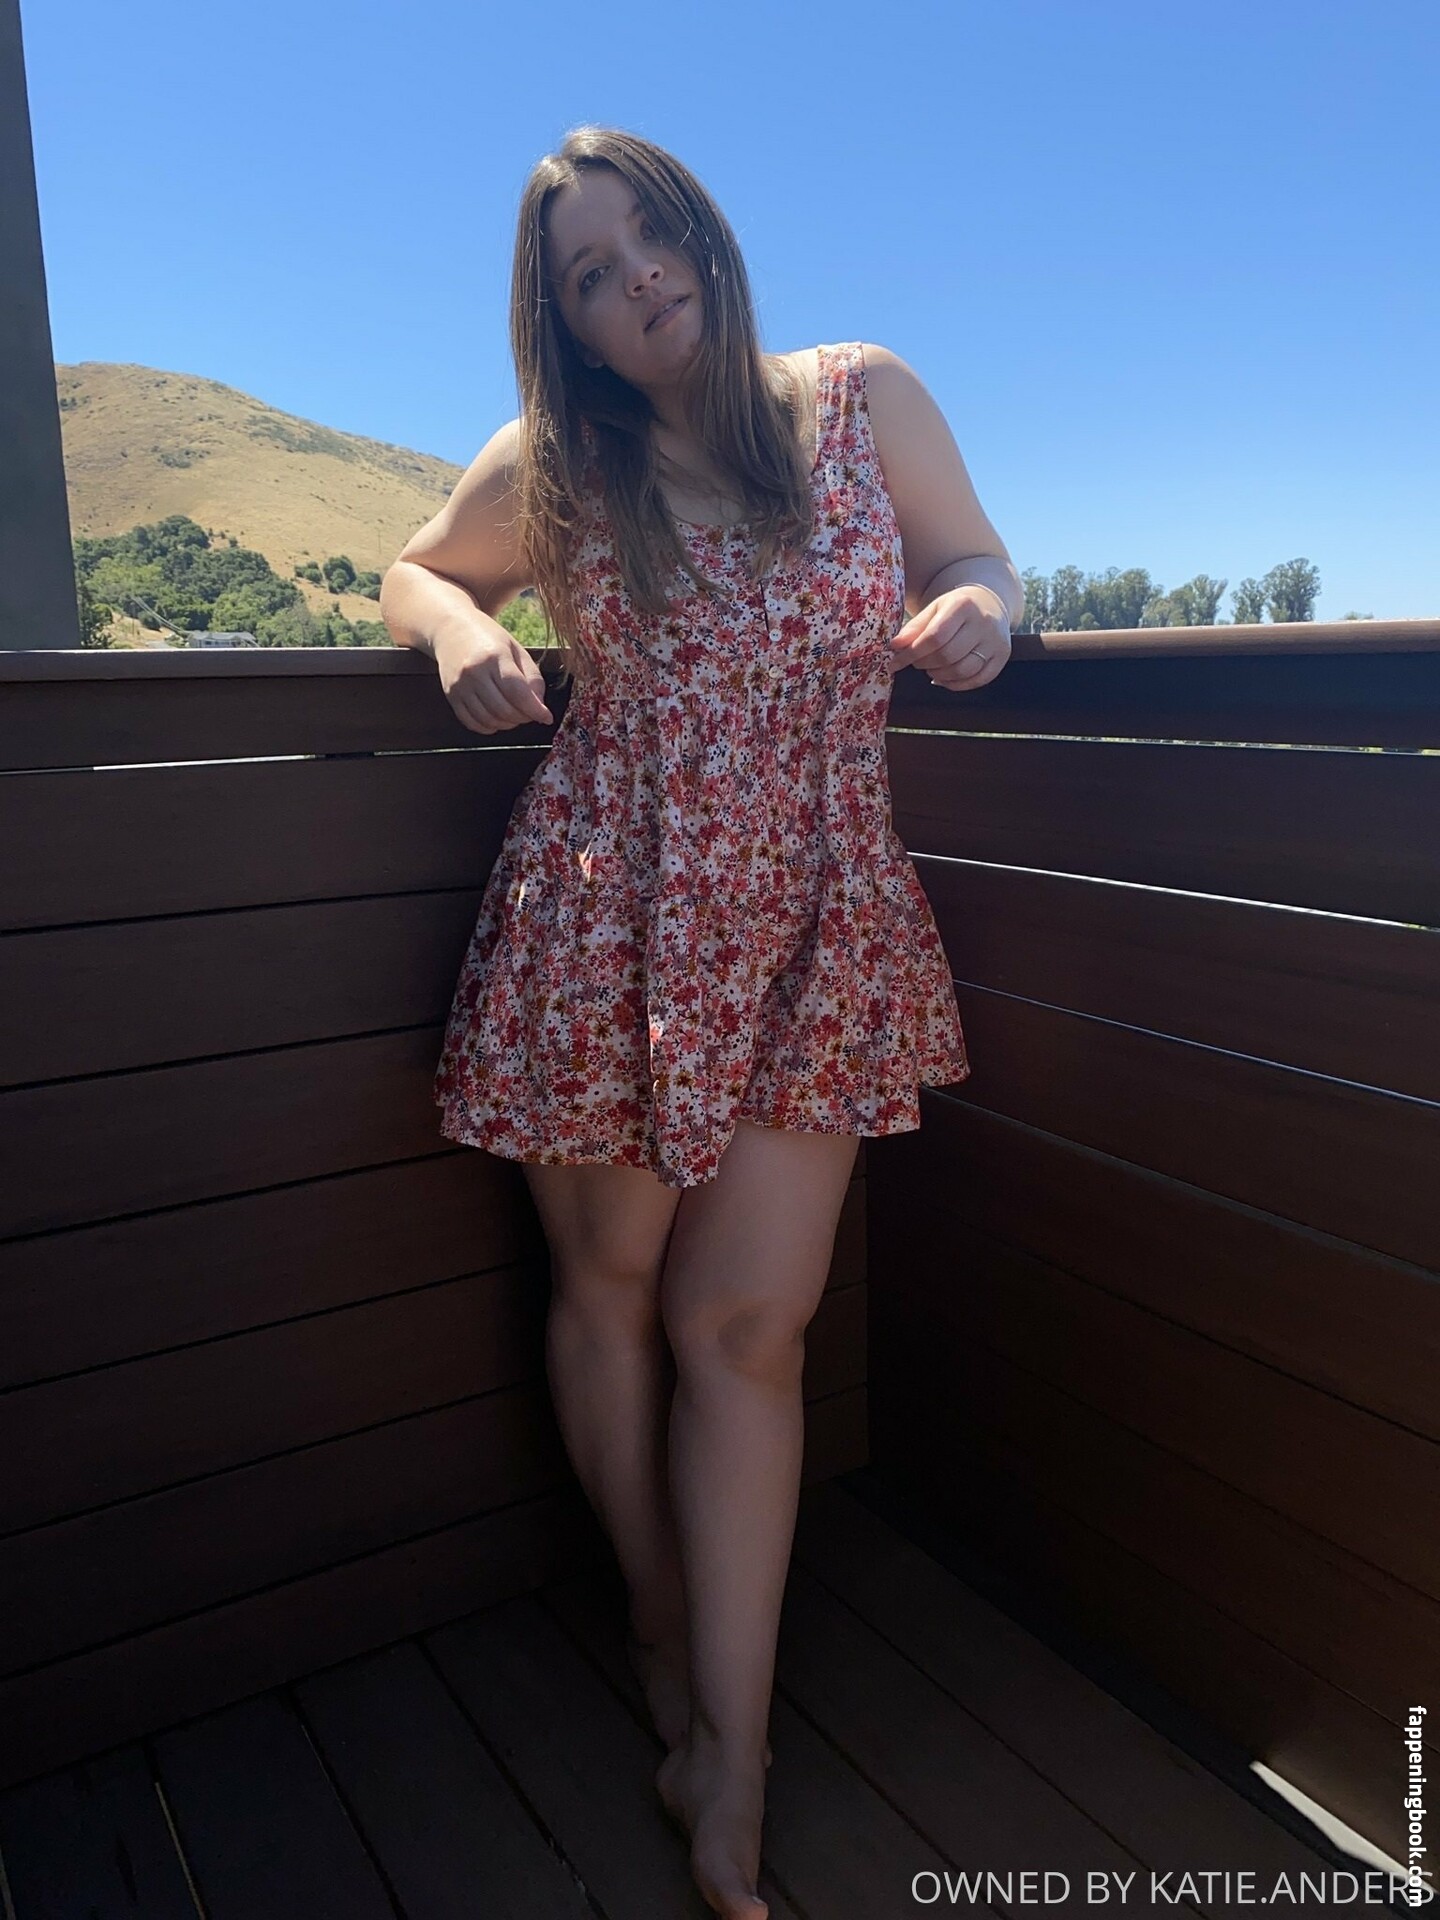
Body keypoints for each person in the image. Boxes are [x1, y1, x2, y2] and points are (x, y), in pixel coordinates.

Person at [379, 125, 1021, 1920]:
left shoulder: (863, 397)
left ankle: (730, 1750)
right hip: (611, 919)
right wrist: (454, 633)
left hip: (820, 915)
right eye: (589, 274)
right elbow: (416, 567)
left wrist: (979, 606)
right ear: (569, 327)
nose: (636, 276)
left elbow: (981, 554)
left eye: (648, 233)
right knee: (609, 1292)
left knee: (746, 1328)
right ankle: (663, 1639)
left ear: (705, 234)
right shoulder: (557, 459)